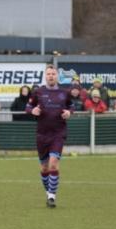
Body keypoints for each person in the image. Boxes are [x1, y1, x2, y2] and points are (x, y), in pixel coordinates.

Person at [24, 65, 73, 208]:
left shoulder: (65, 93)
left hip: (58, 133)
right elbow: (27, 107)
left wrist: (69, 113)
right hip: (42, 134)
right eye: (49, 74)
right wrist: (32, 110)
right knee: (44, 168)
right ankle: (48, 191)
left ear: (57, 76)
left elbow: (72, 106)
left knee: (53, 164)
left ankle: (52, 196)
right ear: (45, 76)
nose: (51, 76)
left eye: (53, 73)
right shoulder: (38, 92)